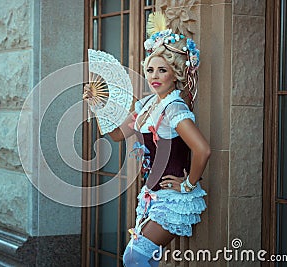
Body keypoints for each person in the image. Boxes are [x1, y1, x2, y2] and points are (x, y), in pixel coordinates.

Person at [84, 12, 210, 267]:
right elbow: (118, 134)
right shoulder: (148, 104)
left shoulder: (175, 109)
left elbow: (203, 150)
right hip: (152, 194)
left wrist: (187, 184)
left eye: (162, 70)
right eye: (150, 69)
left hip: (174, 200)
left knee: (135, 257)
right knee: (142, 259)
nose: (154, 76)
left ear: (174, 74)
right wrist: (98, 104)